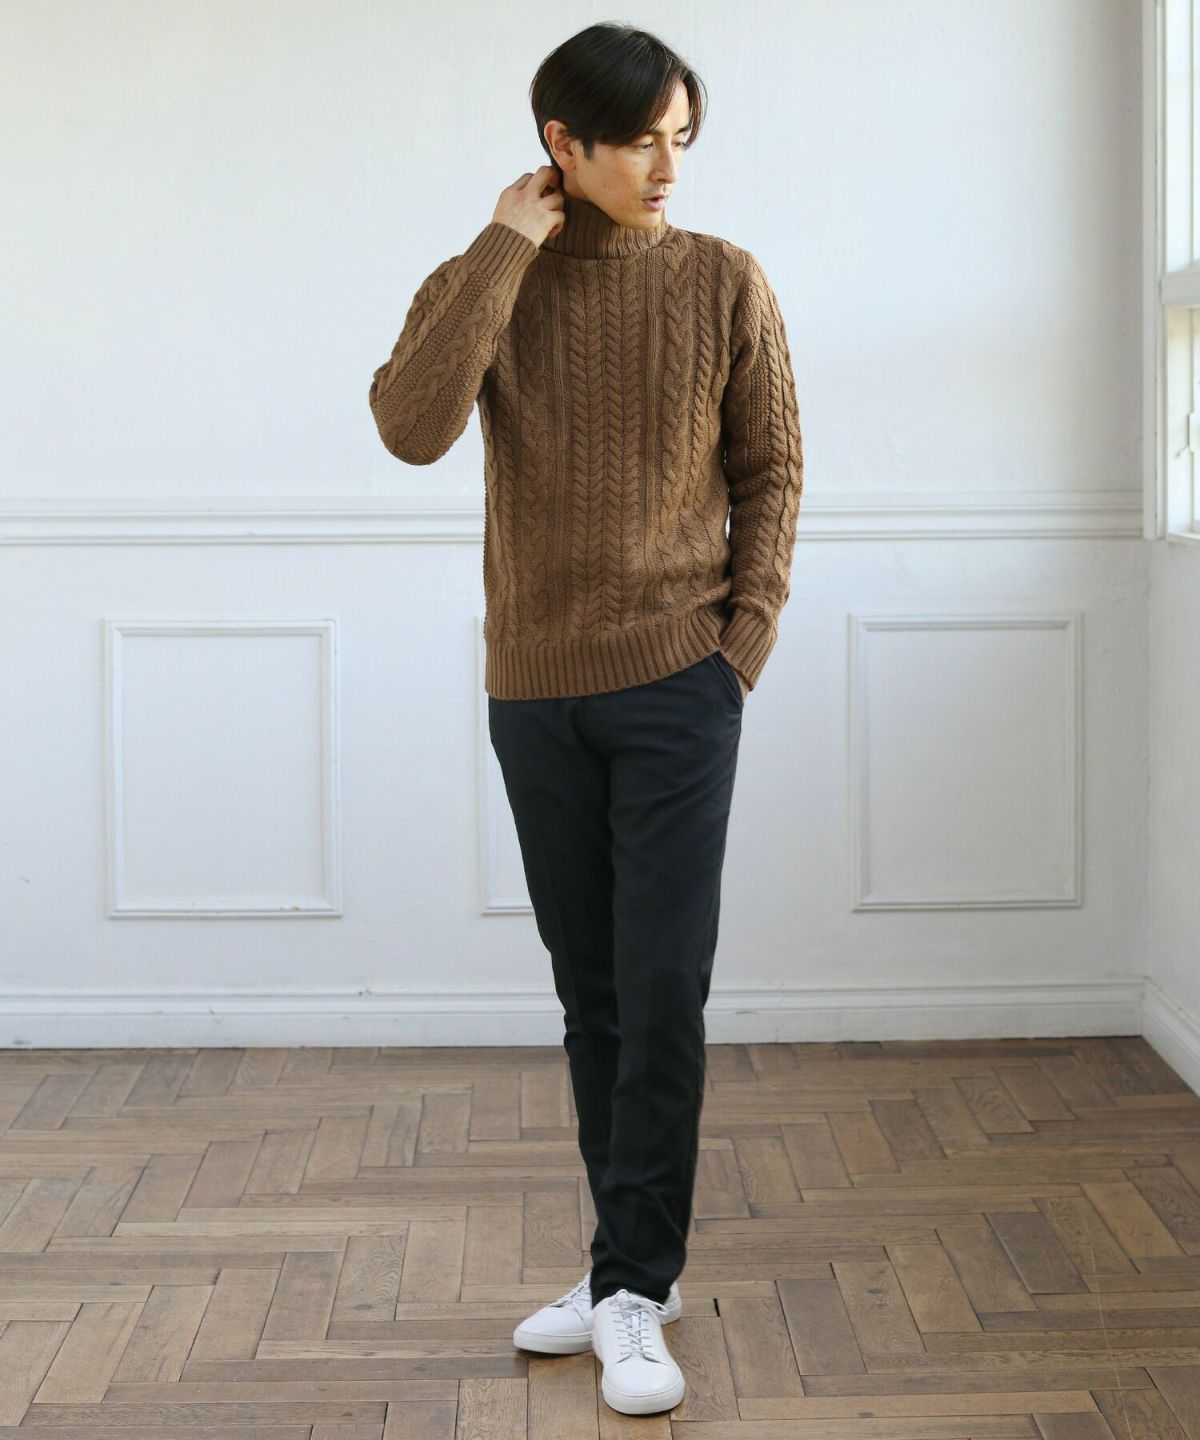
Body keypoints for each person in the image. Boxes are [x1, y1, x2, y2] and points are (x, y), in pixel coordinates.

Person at [368, 20, 803, 1418]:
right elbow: (411, 426)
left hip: (679, 685)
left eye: (683, 138)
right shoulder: (488, 281)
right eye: (638, 141)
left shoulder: (724, 280)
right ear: (562, 143)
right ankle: (628, 1270)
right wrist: (503, 247)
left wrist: (739, 646)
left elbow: (772, 468)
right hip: (537, 691)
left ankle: (631, 1285)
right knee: (594, 993)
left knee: (662, 987)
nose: (667, 166)